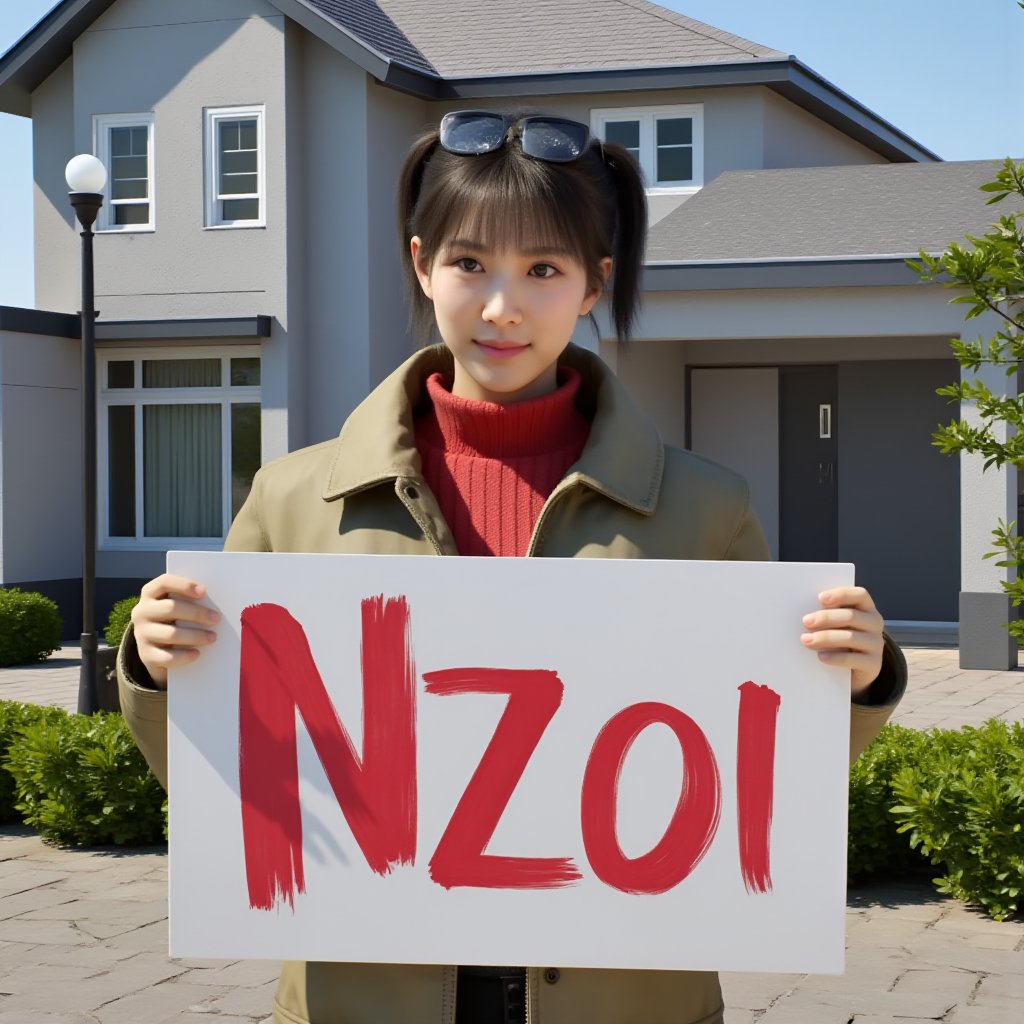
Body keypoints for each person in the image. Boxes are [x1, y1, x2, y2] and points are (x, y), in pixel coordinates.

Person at [118, 109, 907, 1024]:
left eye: (543, 269)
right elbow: (223, 784)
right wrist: (160, 665)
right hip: (366, 990)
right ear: (421, 263)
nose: (502, 305)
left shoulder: (706, 506)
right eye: (469, 264)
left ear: (593, 283)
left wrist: (855, 679)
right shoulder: (296, 498)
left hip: (625, 992)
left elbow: (753, 784)